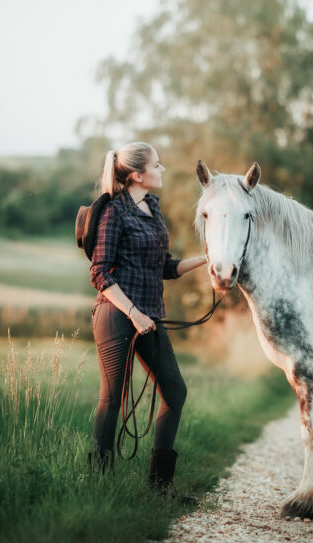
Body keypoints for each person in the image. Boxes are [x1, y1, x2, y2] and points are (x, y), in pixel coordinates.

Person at [88, 142, 206, 498]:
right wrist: (134, 313)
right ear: (137, 175)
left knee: (175, 391)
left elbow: (165, 267)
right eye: (157, 164)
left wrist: (208, 258)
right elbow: (99, 274)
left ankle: (160, 486)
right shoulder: (114, 212)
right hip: (117, 315)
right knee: (113, 397)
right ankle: (100, 485)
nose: (163, 169)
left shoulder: (152, 207)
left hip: (148, 318)